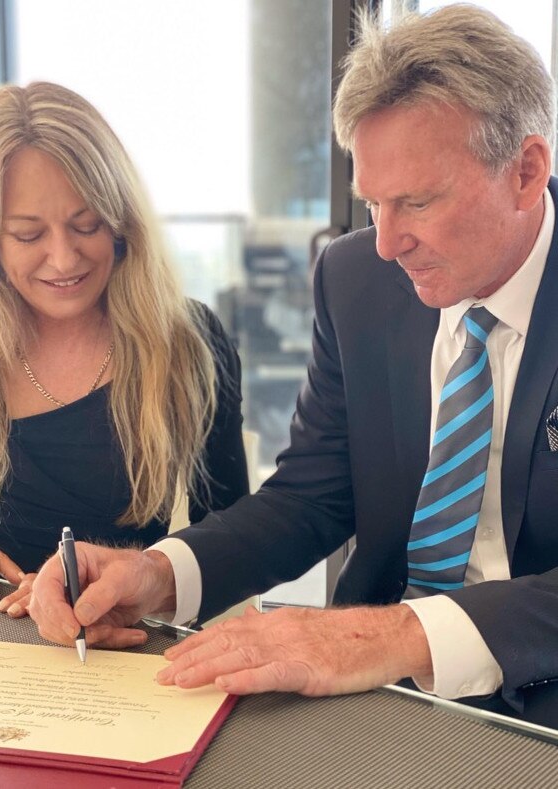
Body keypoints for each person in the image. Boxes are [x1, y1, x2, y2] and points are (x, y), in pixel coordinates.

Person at [30, 4, 558, 712]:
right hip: (371, 693)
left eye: (417, 202)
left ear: (526, 171)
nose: (385, 242)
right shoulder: (356, 280)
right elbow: (311, 497)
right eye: (372, 202)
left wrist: (399, 634)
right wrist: (157, 573)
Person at [0, 81, 249, 618]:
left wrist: (145, 579)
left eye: (87, 224)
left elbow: (235, 540)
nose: (64, 258)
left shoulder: (186, 342)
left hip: (114, 644)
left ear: (120, 222)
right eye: (28, 235)